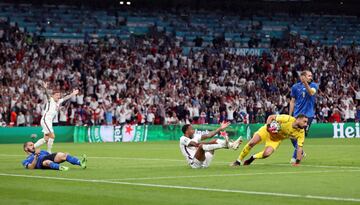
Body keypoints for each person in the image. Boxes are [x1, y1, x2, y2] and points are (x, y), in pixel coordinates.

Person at [231, 114, 308, 167]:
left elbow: (300, 147)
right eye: (304, 121)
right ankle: (238, 161)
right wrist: (268, 127)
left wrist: (297, 162)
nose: (306, 124)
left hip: (276, 139)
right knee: (252, 142)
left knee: (266, 154)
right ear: (298, 119)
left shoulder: (301, 132)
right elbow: (271, 117)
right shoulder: (287, 119)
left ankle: (253, 157)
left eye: (306, 122)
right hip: (266, 131)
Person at [34, 82, 79, 153]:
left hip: (48, 121)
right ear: (53, 96)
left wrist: (73, 94)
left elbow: (66, 97)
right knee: (52, 136)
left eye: (59, 95)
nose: (58, 96)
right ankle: (49, 152)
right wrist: (45, 88)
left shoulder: (58, 101)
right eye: (57, 95)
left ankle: (32, 147)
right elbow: (47, 94)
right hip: (46, 120)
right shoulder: (50, 100)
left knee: (46, 139)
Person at [288, 70, 318, 163]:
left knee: (301, 134)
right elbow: (292, 101)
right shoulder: (295, 87)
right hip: (297, 115)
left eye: (311, 76)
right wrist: (290, 115)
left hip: (308, 115)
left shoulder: (313, 85)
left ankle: (295, 157)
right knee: (292, 135)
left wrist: (305, 83)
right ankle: (301, 151)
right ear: (303, 76)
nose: (311, 77)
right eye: (309, 76)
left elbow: (311, 93)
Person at [22, 141, 87, 171]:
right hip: (42, 164)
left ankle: (81, 163)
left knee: (63, 155)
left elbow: (51, 156)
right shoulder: (26, 160)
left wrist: (63, 156)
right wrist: (36, 156)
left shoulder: (42, 151)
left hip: (48, 158)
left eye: (33, 145)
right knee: (47, 161)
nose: (33, 146)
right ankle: (60, 167)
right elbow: (31, 167)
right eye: (30, 145)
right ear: (25, 148)